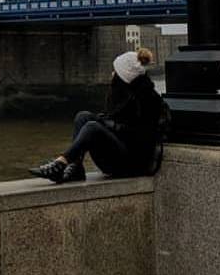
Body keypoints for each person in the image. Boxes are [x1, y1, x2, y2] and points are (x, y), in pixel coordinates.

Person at [29, 48, 164, 184]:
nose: (112, 74)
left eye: (115, 71)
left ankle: (62, 161)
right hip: (120, 151)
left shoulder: (147, 100)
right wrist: (106, 122)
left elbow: (138, 136)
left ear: (124, 77)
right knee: (83, 116)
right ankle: (76, 168)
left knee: (93, 127)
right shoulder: (123, 95)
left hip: (132, 163)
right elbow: (114, 122)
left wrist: (105, 124)